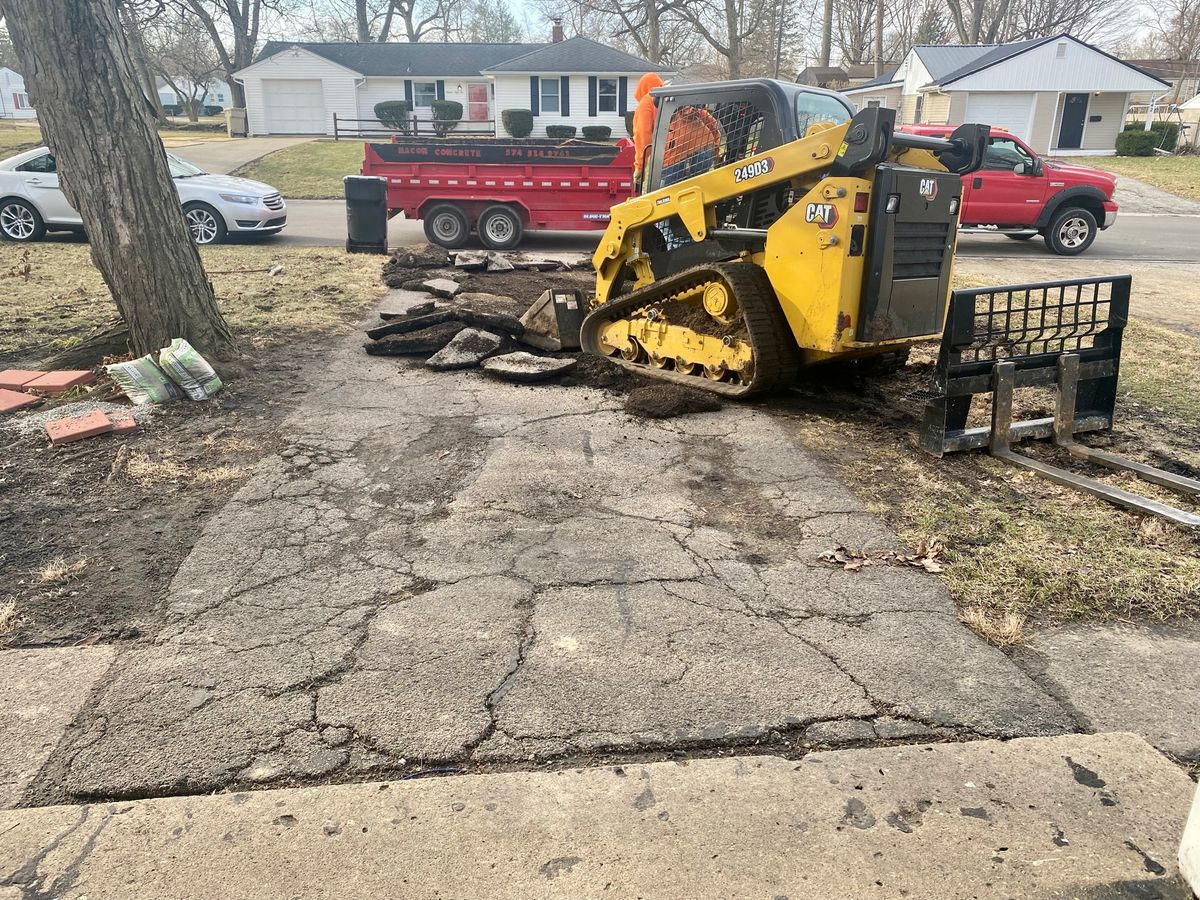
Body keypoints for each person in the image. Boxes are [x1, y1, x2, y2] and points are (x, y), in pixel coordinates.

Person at [661, 104, 722, 186]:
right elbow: (715, 130)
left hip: (677, 154)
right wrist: (716, 152)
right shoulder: (700, 112)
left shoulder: (667, 114)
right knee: (697, 182)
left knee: (668, 186)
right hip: (706, 147)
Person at [632, 72, 664, 191]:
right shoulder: (669, 98)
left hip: (666, 159)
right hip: (697, 151)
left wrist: (639, 167)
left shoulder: (646, 103)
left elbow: (643, 137)